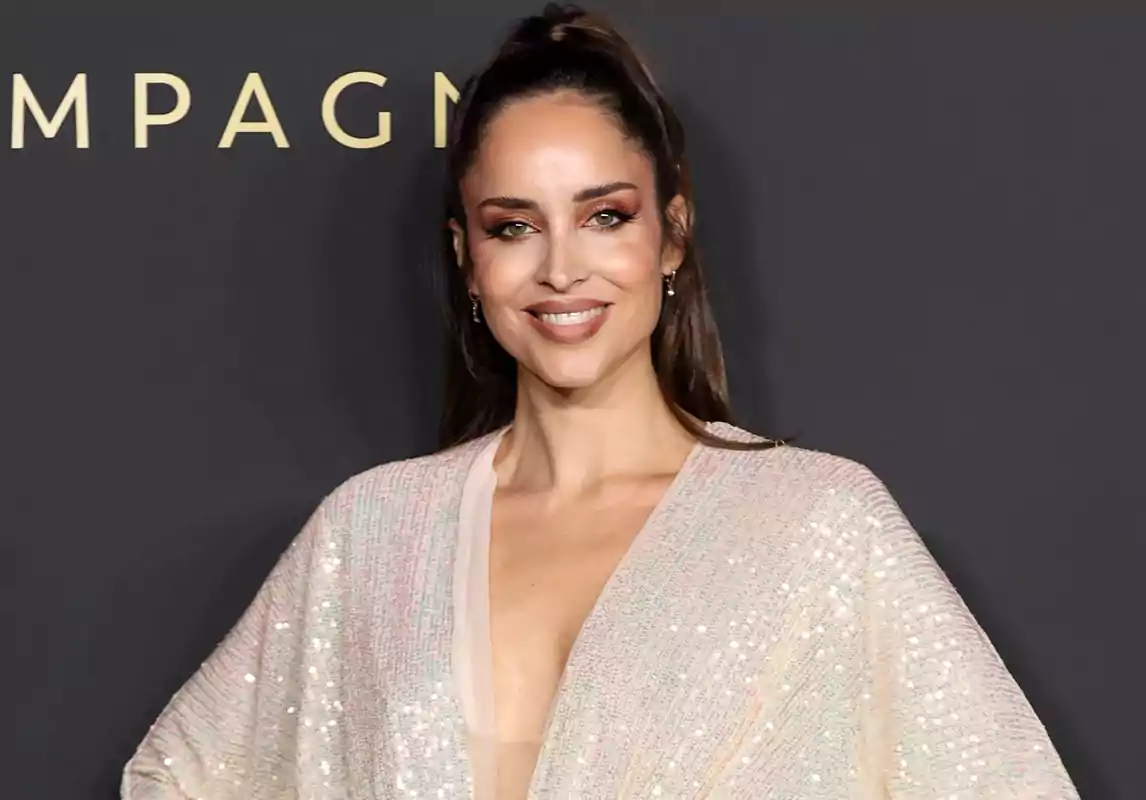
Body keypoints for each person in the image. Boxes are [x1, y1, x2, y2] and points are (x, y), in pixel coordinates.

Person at [122, 4, 1080, 799]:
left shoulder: (818, 524)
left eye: (604, 215)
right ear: (467, 258)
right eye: (513, 227)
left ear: (671, 234)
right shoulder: (370, 533)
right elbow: (182, 778)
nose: (561, 269)